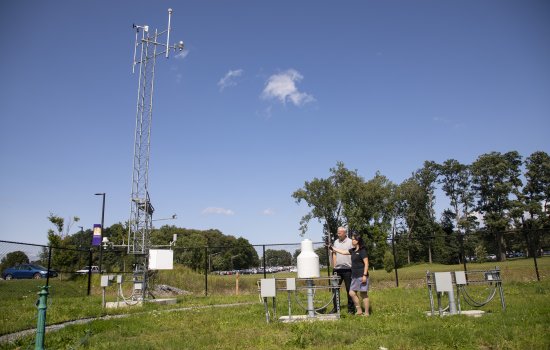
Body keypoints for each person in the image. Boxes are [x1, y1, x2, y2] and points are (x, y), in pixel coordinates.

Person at [330, 233, 369, 316]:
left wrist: (365, 275)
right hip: (354, 276)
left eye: (354, 239)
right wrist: (332, 248)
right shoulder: (353, 250)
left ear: (358, 241)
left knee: (363, 294)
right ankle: (359, 310)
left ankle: (366, 313)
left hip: (362, 275)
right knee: (351, 293)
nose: (352, 240)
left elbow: (366, 263)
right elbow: (343, 252)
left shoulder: (362, 251)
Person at [331, 227, 355, 314]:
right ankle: (336, 308)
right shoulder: (336, 242)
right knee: (335, 289)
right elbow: (334, 253)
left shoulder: (350, 242)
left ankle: (351, 309)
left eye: (340, 233)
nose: (338, 234)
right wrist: (334, 266)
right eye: (338, 233)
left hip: (348, 269)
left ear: (345, 233)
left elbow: (353, 254)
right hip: (337, 269)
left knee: (349, 290)